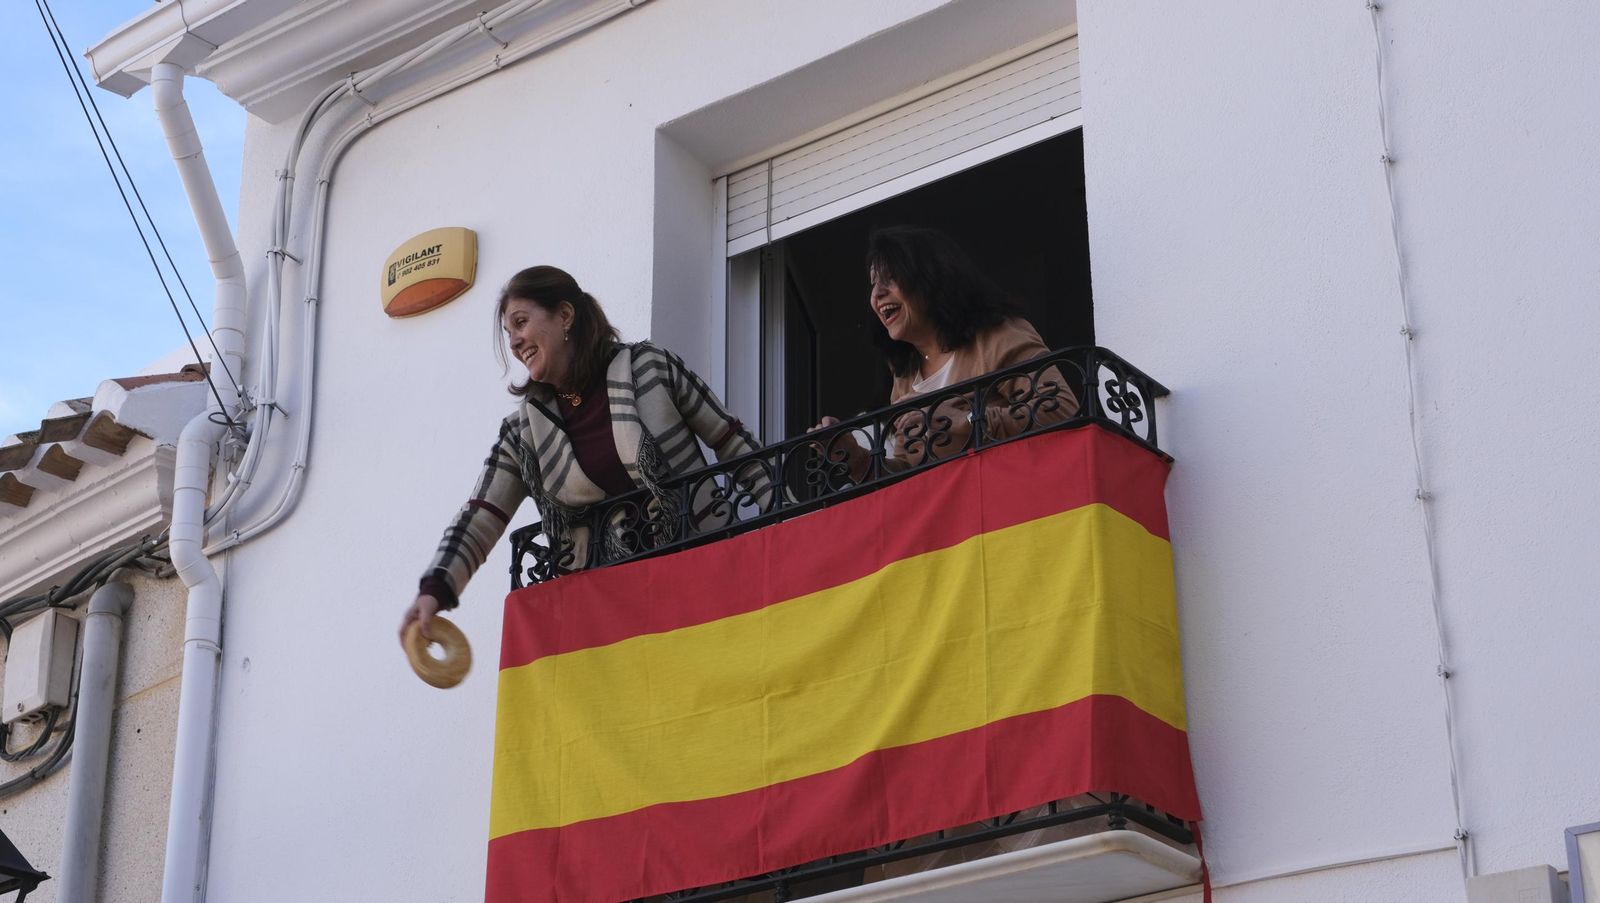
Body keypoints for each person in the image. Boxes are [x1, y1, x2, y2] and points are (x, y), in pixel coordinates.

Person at [399, 265, 762, 642]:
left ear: (565, 316)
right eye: (509, 333)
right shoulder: (521, 433)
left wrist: (794, 514)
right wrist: (435, 589)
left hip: (705, 585)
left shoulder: (649, 368)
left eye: (521, 323)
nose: (514, 342)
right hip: (606, 619)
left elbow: (731, 443)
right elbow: (481, 515)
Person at [812, 226, 1079, 473]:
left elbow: (1062, 409)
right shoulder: (905, 377)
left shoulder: (997, 336)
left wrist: (965, 420)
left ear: (931, 278)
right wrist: (856, 458)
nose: (877, 294)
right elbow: (909, 474)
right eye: (873, 282)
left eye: (891, 277)